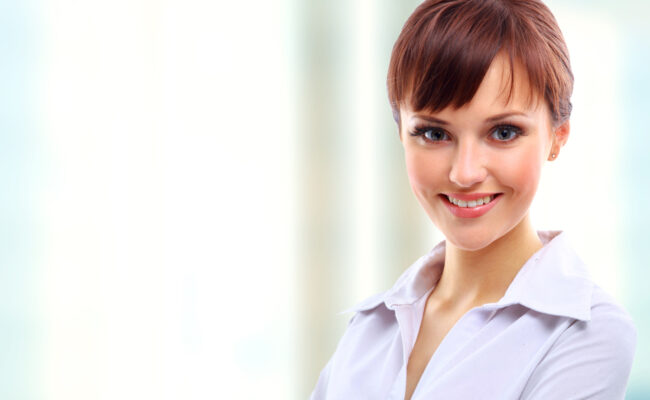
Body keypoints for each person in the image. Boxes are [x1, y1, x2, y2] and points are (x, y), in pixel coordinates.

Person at [310, 0, 637, 399]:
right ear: (401, 134)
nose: (465, 173)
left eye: (503, 133)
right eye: (434, 133)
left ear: (557, 136)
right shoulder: (367, 331)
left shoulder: (586, 334)